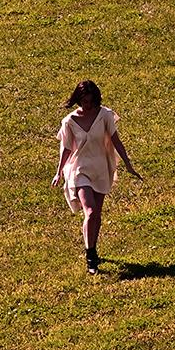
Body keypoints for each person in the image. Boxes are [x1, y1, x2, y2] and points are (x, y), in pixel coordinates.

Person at [54, 80, 141, 272]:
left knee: (97, 215)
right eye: (84, 101)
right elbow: (66, 148)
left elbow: (116, 140)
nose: (87, 105)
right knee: (90, 211)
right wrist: (59, 171)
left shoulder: (104, 115)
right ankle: (90, 256)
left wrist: (128, 164)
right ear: (78, 99)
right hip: (79, 169)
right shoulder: (69, 121)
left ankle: (93, 248)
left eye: (91, 101)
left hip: (100, 169)